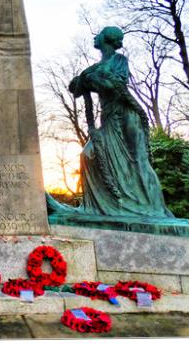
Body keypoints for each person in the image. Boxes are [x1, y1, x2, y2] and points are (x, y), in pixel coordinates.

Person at [49, 27, 174, 218]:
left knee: (139, 162)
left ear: (106, 39)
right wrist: (80, 83)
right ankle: (100, 208)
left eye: (98, 34)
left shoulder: (119, 61)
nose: (95, 37)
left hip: (126, 116)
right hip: (108, 119)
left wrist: (93, 80)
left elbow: (116, 87)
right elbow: (77, 90)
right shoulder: (94, 68)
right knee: (88, 155)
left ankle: (157, 210)